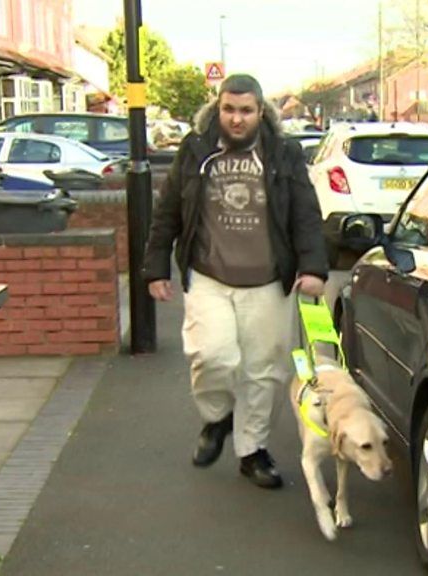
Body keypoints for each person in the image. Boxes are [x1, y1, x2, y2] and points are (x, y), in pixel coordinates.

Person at [142, 74, 329, 490]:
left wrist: (313, 267)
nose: (237, 119)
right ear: (218, 108)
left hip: (268, 281)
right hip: (209, 276)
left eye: (246, 111)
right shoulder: (196, 149)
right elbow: (168, 210)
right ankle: (217, 417)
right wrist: (155, 267)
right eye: (229, 109)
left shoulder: (283, 152)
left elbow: (305, 212)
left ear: (261, 111)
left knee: (264, 371)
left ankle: (252, 450)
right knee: (212, 356)